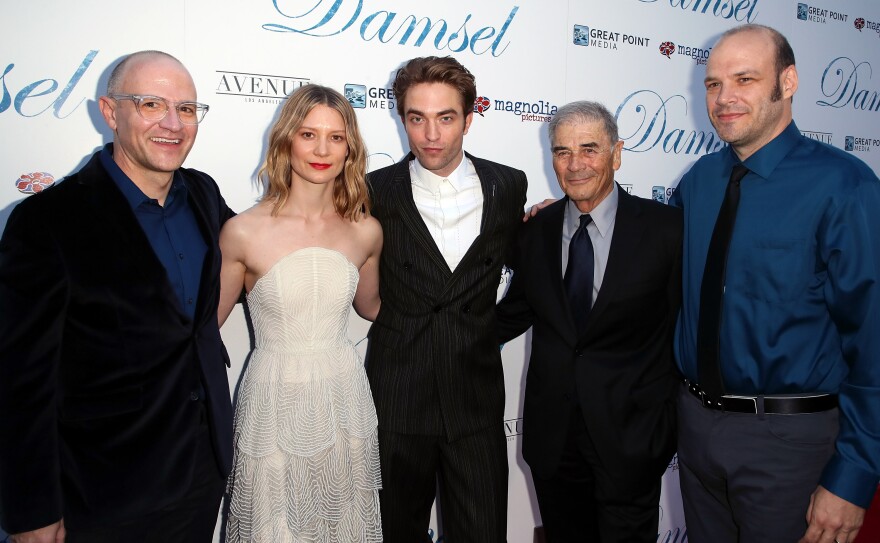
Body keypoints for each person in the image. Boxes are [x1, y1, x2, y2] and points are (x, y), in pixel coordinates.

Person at [0, 51, 234, 542]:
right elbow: (22, 384)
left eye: (187, 109)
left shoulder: (204, 195)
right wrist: (33, 514)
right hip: (105, 490)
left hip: (202, 470)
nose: (173, 124)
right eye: (152, 104)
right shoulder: (47, 222)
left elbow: (267, 247)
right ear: (110, 112)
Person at [671, 24, 880, 543]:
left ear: (787, 82)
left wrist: (853, 478)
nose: (724, 98)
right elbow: (643, 255)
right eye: (714, 84)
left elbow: (874, 342)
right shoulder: (698, 181)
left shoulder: (845, 187)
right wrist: (568, 217)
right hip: (696, 433)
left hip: (791, 445)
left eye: (744, 79)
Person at [496, 101, 682, 542]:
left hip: (632, 440)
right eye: (562, 151)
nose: (575, 164)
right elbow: (513, 313)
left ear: (616, 154)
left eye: (589, 149)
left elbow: (691, 328)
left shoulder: (668, 230)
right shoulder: (534, 232)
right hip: (553, 443)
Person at [365, 56, 527, 542]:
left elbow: (529, 268)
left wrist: (488, 331)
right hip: (397, 394)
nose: (431, 134)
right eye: (417, 118)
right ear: (402, 120)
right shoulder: (375, 190)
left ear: (470, 118)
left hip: (474, 401)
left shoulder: (508, 184)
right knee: (397, 531)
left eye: (445, 117)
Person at [218, 84, 383, 542]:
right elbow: (202, 325)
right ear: (286, 139)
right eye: (309, 134)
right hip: (272, 401)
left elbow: (372, 308)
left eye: (335, 137)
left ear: (350, 147)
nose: (322, 149)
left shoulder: (366, 230)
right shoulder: (243, 231)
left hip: (343, 398)